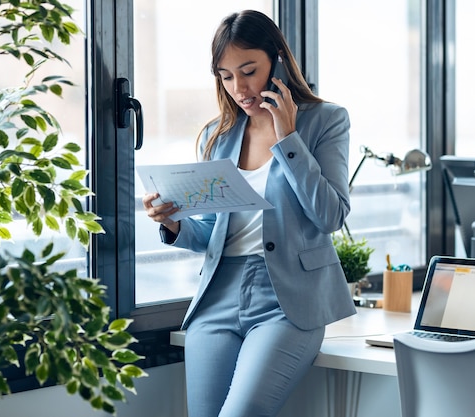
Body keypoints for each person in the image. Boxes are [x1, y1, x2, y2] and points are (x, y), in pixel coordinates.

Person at [142, 9, 356, 417]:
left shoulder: (325, 121)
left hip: (288, 301)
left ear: (276, 59)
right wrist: (173, 224)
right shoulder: (217, 135)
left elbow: (330, 216)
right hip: (219, 296)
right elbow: (213, 232)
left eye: (248, 71)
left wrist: (287, 137)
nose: (238, 87)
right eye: (225, 76)